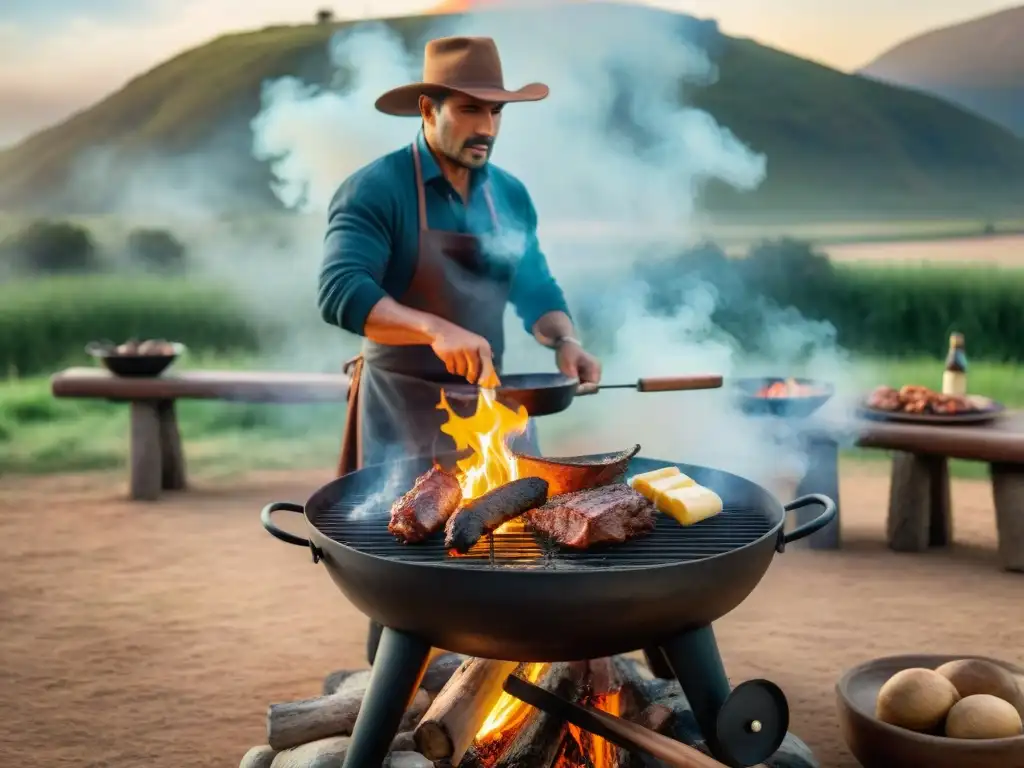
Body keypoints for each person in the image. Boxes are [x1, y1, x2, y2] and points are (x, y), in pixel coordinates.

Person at [317, 36, 602, 662]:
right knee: (408, 569)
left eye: (497, 112)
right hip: (404, 409)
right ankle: (400, 694)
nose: (488, 127)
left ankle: (507, 686)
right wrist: (435, 328)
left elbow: (537, 289)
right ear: (427, 108)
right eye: (471, 110)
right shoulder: (376, 190)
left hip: (494, 407)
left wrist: (566, 340)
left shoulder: (511, 196)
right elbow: (341, 292)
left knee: (522, 554)